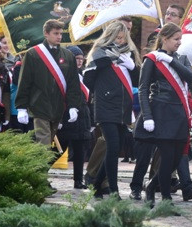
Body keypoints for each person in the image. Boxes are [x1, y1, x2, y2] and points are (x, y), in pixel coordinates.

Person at [134, 23, 192, 206]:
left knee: (176, 158)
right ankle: (165, 199)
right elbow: (142, 89)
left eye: (180, 39)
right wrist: (148, 116)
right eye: (176, 39)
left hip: (179, 113)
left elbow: (191, 78)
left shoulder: (181, 59)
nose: (179, 42)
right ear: (164, 39)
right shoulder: (152, 59)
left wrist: (170, 60)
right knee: (166, 157)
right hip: (161, 111)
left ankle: (151, 186)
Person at [84, 21, 140, 198]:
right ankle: (114, 190)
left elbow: (139, 81)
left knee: (114, 149)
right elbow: (88, 80)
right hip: (106, 106)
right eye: (117, 37)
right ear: (109, 36)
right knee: (113, 147)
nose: (120, 41)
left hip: (124, 107)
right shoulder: (100, 53)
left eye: (123, 38)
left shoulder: (130, 54)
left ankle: (95, 185)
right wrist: (103, 65)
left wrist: (133, 68)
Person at [14, 19, 85, 148]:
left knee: (49, 140)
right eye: (55, 33)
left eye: (60, 33)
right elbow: (25, 81)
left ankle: (39, 167)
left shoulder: (68, 55)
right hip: (39, 104)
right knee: (43, 142)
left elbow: (73, 83)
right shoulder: (33, 54)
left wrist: (73, 105)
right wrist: (21, 107)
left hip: (58, 106)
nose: (59, 37)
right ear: (46, 34)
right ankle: (41, 167)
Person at [57, 46, 93, 189]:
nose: (79, 61)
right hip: (67, 117)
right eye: (76, 58)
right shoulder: (63, 74)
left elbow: (89, 98)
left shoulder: (83, 75)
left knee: (80, 152)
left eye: (80, 58)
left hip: (83, 117)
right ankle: (40, 176)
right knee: (59, 149)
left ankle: (78, 180)